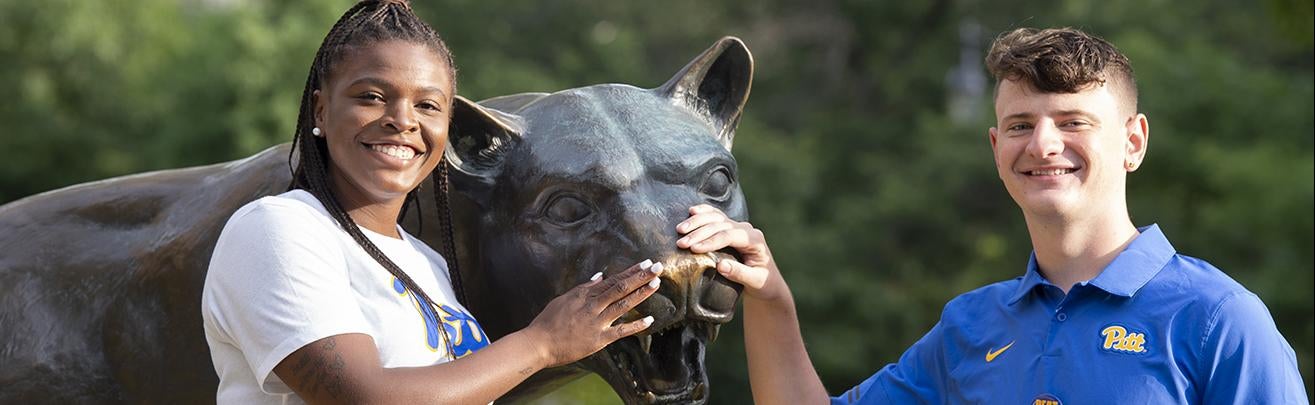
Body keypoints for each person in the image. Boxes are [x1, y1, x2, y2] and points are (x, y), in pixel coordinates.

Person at [677, 27, 1309, 403]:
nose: (1044, 145)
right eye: (1020, 125)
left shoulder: (1217, 320)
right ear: (995, 148)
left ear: (1133, 142)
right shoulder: (970, 327)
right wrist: (770, 295)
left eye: (1072, 123)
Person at [200, 1, 663, 403]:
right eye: (372, 96)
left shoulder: (426, 263)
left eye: (427, 105)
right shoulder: (278, 228)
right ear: (320, 110)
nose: (402, 120)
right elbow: (363, 398)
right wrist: (542, 344)